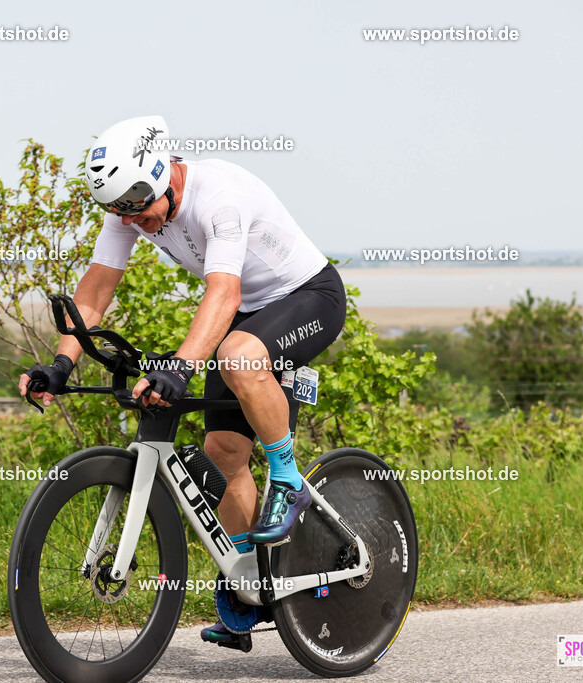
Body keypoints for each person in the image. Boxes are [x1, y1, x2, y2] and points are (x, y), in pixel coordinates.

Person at [18, 115, 345, 648]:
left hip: (307, 296)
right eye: (121, 212)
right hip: (248, 315)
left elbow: (224, 295)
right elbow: (95, 294)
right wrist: (60, 364)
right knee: (222, 453)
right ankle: (249, 587)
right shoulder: (130, 206)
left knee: (236, 354)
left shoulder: (219, 197)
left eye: (140, 209)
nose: (135, 223)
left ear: (163, 175)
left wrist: (181, 366)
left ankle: (288, 481)